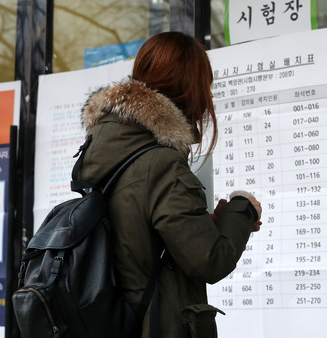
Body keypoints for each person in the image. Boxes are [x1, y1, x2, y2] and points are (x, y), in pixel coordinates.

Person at [78, 31, 262, 338]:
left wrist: (202, 224)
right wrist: (243, 208)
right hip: (156, 324)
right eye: (206, 85)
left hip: (114, 320)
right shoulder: (161, 163)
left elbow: (136, 235)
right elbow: (211, 260)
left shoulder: (104, 148)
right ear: (190, 88)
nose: (209, 97)